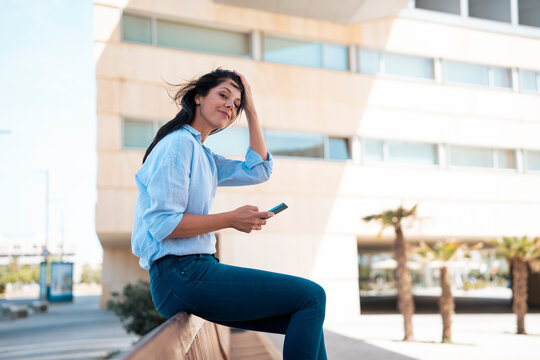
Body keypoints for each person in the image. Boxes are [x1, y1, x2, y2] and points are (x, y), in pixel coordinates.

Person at [131, 69, 327, 359]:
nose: (230, 106)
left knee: (306, 312)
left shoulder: (204, 155)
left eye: (236, 103)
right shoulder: (177, 145)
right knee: (312, 296)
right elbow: (163, 224)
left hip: (191, 273)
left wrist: (251, 110)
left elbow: (259, 169)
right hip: (181, 274)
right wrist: (231, 219)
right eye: (223, 95)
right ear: (198, 97)